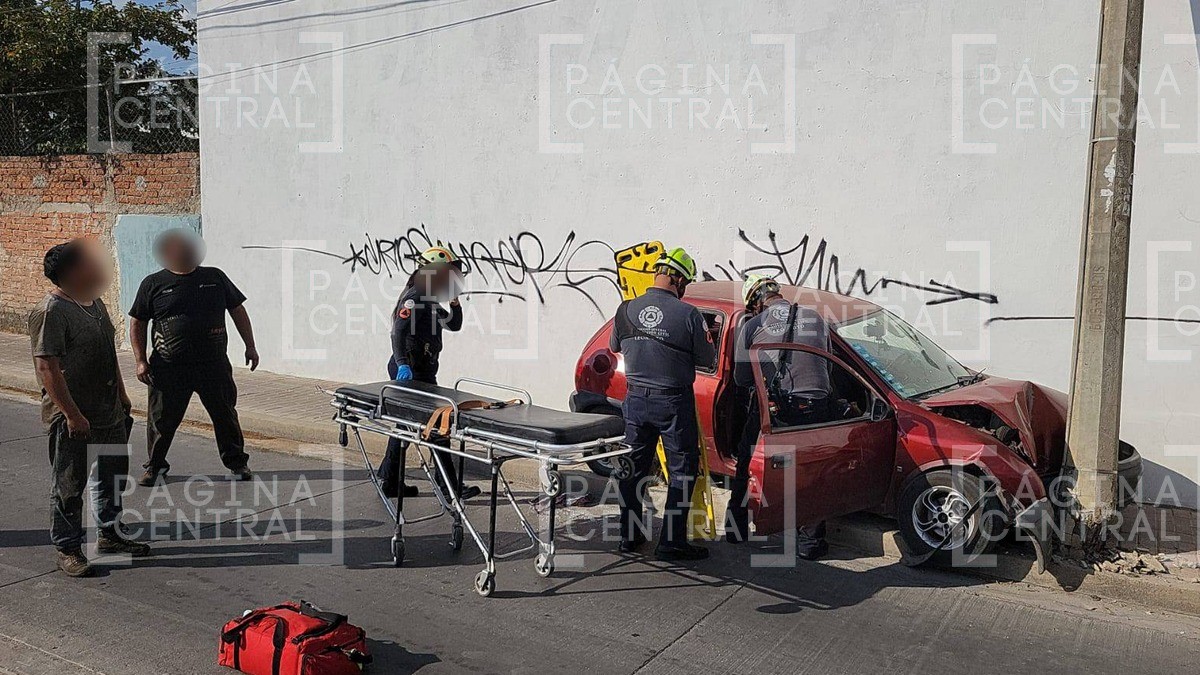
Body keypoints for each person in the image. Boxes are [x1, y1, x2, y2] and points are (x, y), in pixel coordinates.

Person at [31, 239, 152, 577]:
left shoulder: (93, 302)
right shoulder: (51, 312)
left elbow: (106, 353)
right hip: (73, 418)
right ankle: (68, 548)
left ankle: (110, 535)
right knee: (69, 487)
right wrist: (71, 414)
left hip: (108, 410)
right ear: (71, 271)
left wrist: (123, 395)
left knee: (111, 480)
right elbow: (47, 368)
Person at [610, 247, 715, 561]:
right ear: (679, 280)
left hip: (635, 401)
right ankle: (671, 542)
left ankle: (629, 536)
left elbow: (616, 346)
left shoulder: (624, 309)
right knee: (682, 471)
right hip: (672, 402)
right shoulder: (688, 314)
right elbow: (707, 359)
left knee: (630, 470)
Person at [129, 229, 257, 486]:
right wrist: (140, 360)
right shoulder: (153, 284)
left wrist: (250, 346)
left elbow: (237, 310)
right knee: (161, 420)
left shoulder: (215, 277)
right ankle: (155, 467)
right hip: (168, 368)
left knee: (225, 415)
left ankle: (237, 463)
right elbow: (137, 322)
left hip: (213, 366)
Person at [726, 274, 831, 559]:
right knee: (811, 471)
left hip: (776, 408)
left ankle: (735, 528)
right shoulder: (816, 317)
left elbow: (741, 378)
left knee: (746, 461)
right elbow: (827, 364)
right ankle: (810, 543)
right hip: (818, 404)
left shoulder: (752, 325)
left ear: (755, 303)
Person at [376, 246, 481, 502]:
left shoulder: (431, 298)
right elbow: (397, 332)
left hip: (423, 370)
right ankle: (448, 488)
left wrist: (454, 301)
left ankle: (390, 480)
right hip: (410, 371)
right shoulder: (416, 296)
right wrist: (402, 364)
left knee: (406, 426)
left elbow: (453, 325)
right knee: (437, 427)